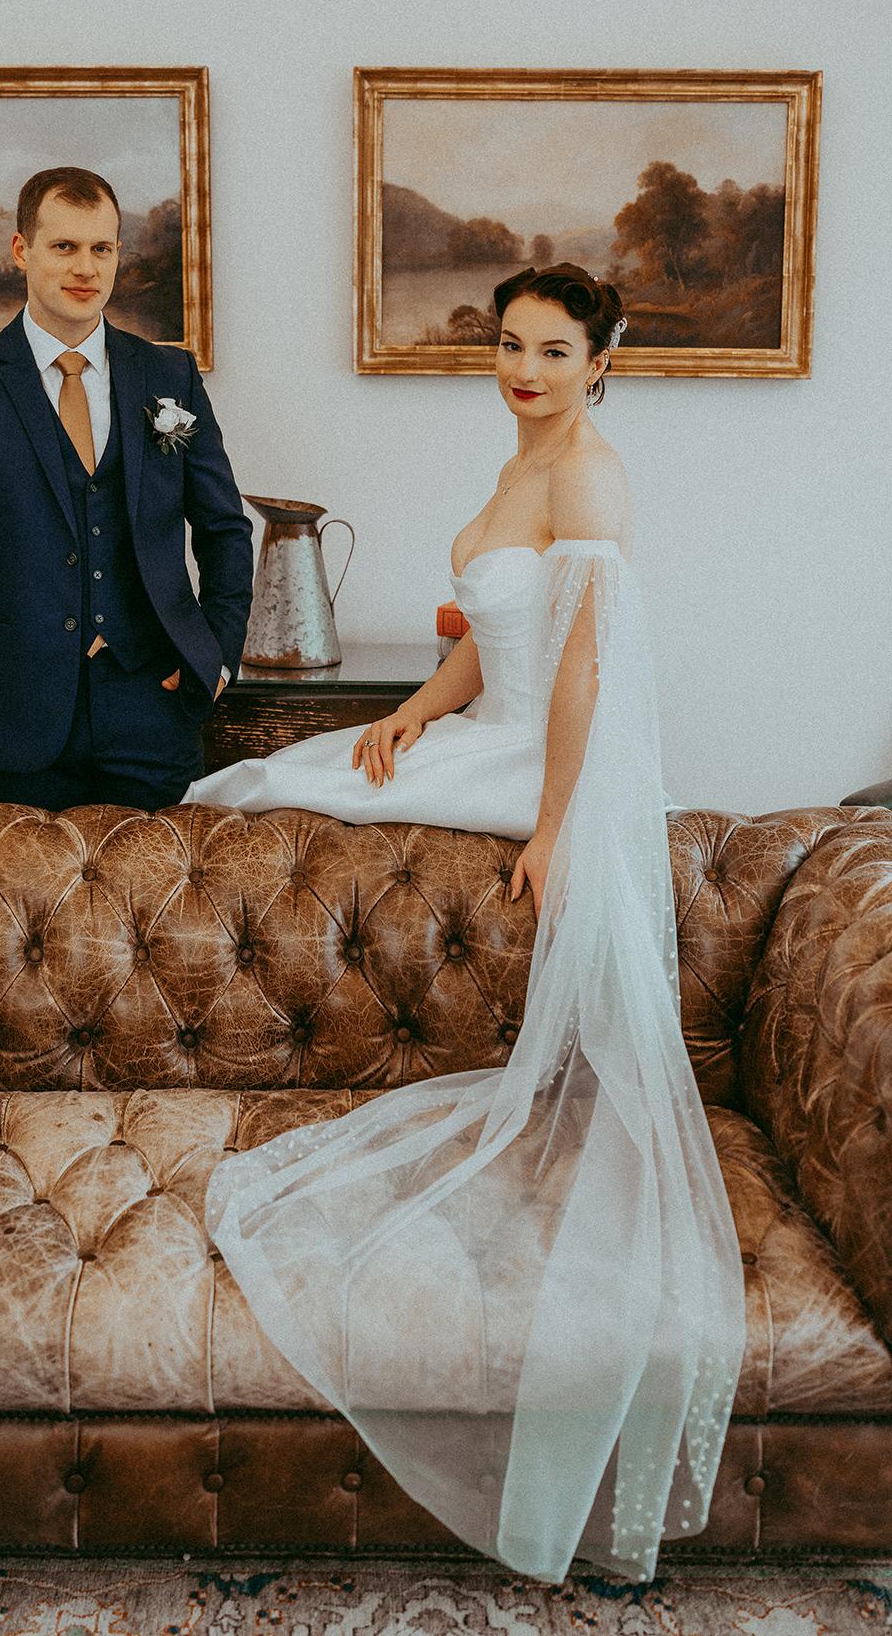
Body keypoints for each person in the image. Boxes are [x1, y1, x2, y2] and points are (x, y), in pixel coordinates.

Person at [190, 264, 745, 1583]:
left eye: (556, 351)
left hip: (558, 756)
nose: (528, 368)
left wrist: (555, 823)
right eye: (511, 344)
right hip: (492, 726)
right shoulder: (514, 469)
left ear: (601, 365)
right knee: (265, 781)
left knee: (264, 780)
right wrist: (414, 712)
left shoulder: (588, 477)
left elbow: (586, 667)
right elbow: (498, 638)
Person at [0, 166, 252, 834]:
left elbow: (226, 531)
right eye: (64, 247)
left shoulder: (168, 375)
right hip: (14, 718)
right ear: (22, 251)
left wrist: (215, 659)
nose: (86, 267)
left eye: (102, 248)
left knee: (156, 923)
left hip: (154, 711)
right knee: (24, 925)